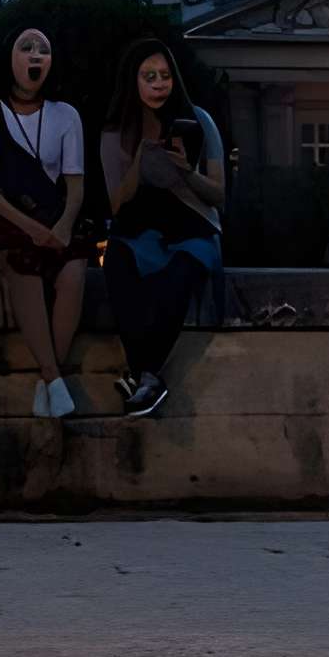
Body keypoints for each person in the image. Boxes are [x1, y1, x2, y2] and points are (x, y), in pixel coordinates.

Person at [0, 25, 91, 419]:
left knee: (74, 271)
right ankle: (53, 376)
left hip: (53, 221)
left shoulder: (66, 115)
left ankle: (48, 380)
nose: (36, 55)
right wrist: (30, 228)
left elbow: (76, 185)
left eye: (43, 49)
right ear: (9, 59)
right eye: (27, 47)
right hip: (7, 225)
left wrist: (64, 225)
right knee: (24, 269)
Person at [98, 42, 227, 419]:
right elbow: (116, 202)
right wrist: (139, 160)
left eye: (165, 76)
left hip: (191, 228)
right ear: (133, 81)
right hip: (138, 228)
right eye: (149, 76)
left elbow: (219, 195)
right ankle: (147, 378)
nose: (158, 84)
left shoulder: (199, 121)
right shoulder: (116, 132)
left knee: (179, 275)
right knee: (117, 264)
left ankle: (143, 376)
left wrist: (186, 170)